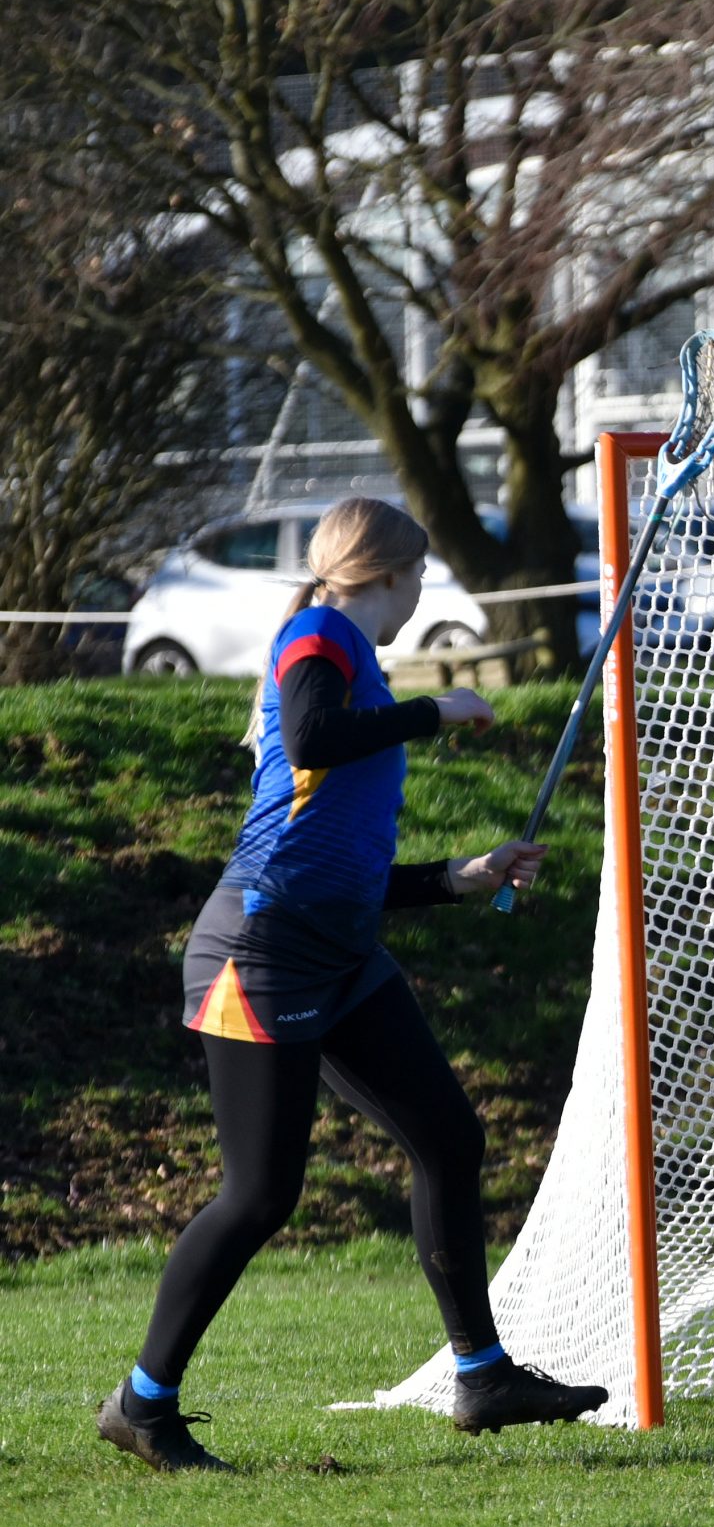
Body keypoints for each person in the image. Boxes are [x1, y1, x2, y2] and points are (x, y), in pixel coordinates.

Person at [98, 498, 606, 1474]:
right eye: (421, 577)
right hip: (261, 952)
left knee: (449, 1137)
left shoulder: (344, 650)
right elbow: (314, 736)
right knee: (260, 1194)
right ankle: (141, 1403)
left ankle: (483, 1376)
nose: (422, 594)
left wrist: (455, 879)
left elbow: (339, 858)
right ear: (394, 576)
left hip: (337, 948)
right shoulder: (321, 633)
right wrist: (436, 709)